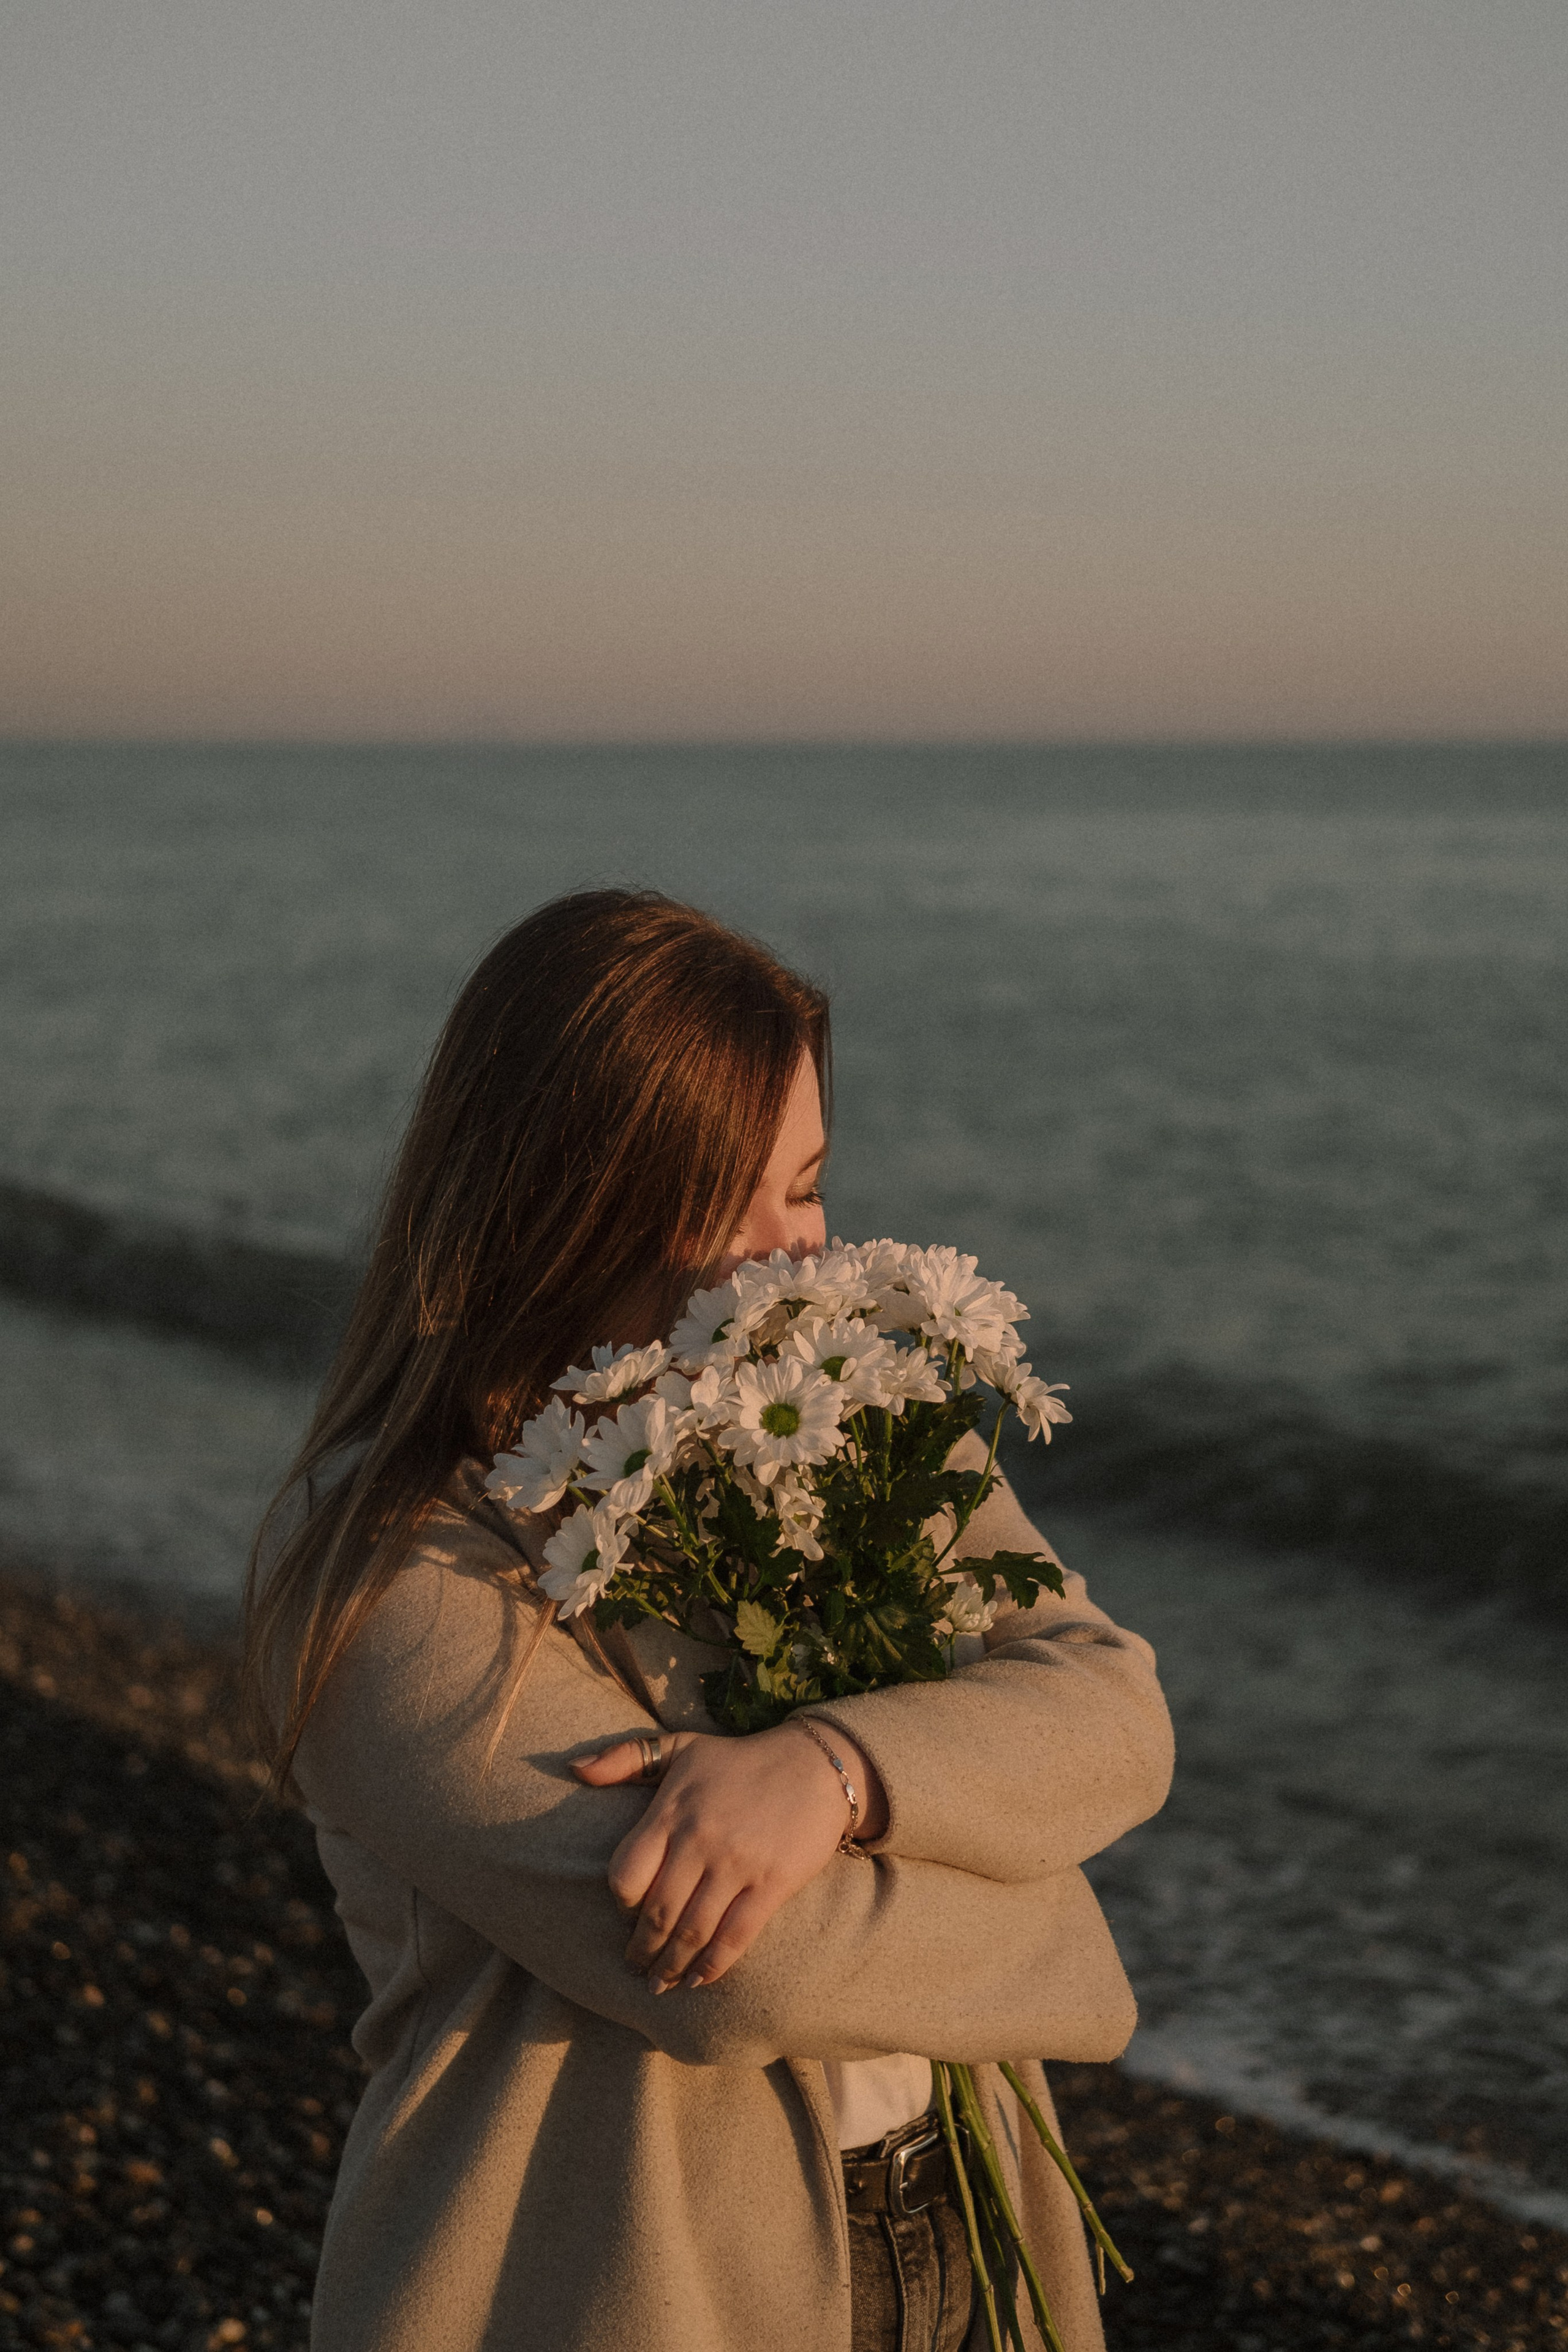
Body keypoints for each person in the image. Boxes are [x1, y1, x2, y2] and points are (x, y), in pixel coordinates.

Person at [243, 888, 1174, 2352]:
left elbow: (1114, 1712)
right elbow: (741, 1977)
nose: (782, 1262)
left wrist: (834, 1773)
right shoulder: (383, 1564)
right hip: (619, 2273)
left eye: (802, 1188)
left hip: (969, 2219)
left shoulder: (857, 1419)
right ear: (558, 1196)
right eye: (708, 1194)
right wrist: (1055, 1919)